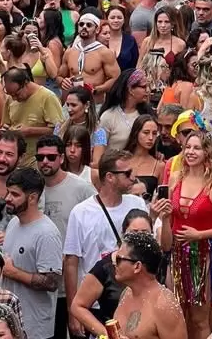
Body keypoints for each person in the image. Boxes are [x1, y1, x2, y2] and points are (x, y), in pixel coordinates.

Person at [167, 130, 212, 339]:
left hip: (202, 253)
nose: (190, 152)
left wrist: (200, 235)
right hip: (176, 252)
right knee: (178, 314)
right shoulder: (175, 178)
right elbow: (169, 217)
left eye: (196, 148)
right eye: (188, 147)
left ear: (207, 151)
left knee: (200, 318)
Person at [33, 134, 95, 338]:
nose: (45, 162)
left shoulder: (81, 188)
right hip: (40, 285)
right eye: (40, 157)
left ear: (61, 158)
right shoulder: (32, 188)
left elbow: (94, 227)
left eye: (51, 157)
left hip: (73, 283)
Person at [69, 208, 165, 338]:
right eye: (134, 233)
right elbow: (78, 305)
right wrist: (108, 334)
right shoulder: (105, 268)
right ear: (123, 234)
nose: (139, 239)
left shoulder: (157, 263)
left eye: (145, 233)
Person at [2, 166, 63, 339]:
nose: (8, 198)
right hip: (11, 326)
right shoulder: (13, 223)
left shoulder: (47, 233)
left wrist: (13, 273)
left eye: (15, 194)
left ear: (32, 198)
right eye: (8, 192)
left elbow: (52, 282)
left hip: (35, 329)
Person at [112, 230, 187, 339]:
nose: (114, 263)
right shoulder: (126, 293)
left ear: (137, 266)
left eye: (119, 259)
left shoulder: (164, 305)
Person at [1, 66, 64, 166]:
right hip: (15, 161)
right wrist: (5, 130)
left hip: (39, 161)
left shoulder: (47, 97)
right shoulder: (10, 99)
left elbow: (59, 130)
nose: (14, 98)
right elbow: (6, 123)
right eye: (11, 95)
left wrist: (30, 131)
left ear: (26, 83)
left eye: (17, 94)